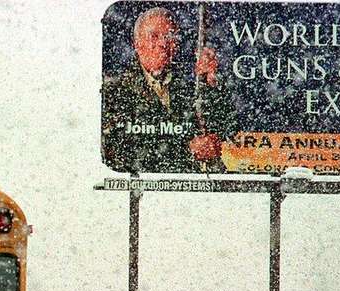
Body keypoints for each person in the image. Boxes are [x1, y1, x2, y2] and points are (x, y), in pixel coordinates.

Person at [102, 7, 238, 173]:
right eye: (154, 36)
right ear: (137, 43)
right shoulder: (116, 91)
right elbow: (120, 154)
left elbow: (229, 130)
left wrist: (212, 82)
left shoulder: (187, 88)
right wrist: (187, 151)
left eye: (169, 36)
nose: (163, 44)